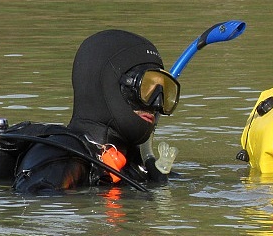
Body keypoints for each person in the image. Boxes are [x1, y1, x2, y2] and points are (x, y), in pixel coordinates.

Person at [11, 29, 180, 194]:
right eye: (146, 89)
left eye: (165, 91)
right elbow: (38, 205)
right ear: (108, 86)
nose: (157, 103)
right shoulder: (64, 155)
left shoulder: (137, 167)